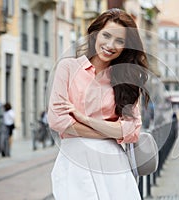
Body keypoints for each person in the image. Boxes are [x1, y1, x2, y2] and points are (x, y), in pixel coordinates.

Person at [47, 8, 150, 200]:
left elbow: (131, 131)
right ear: (95, 34)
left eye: (120, 41)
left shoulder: (127, 79)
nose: (111, 45)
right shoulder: (68, 68)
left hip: (114, 165)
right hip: (74, 162)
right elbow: (58, 121)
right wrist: (111, 131)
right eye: (107, 35)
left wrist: (84, 119)